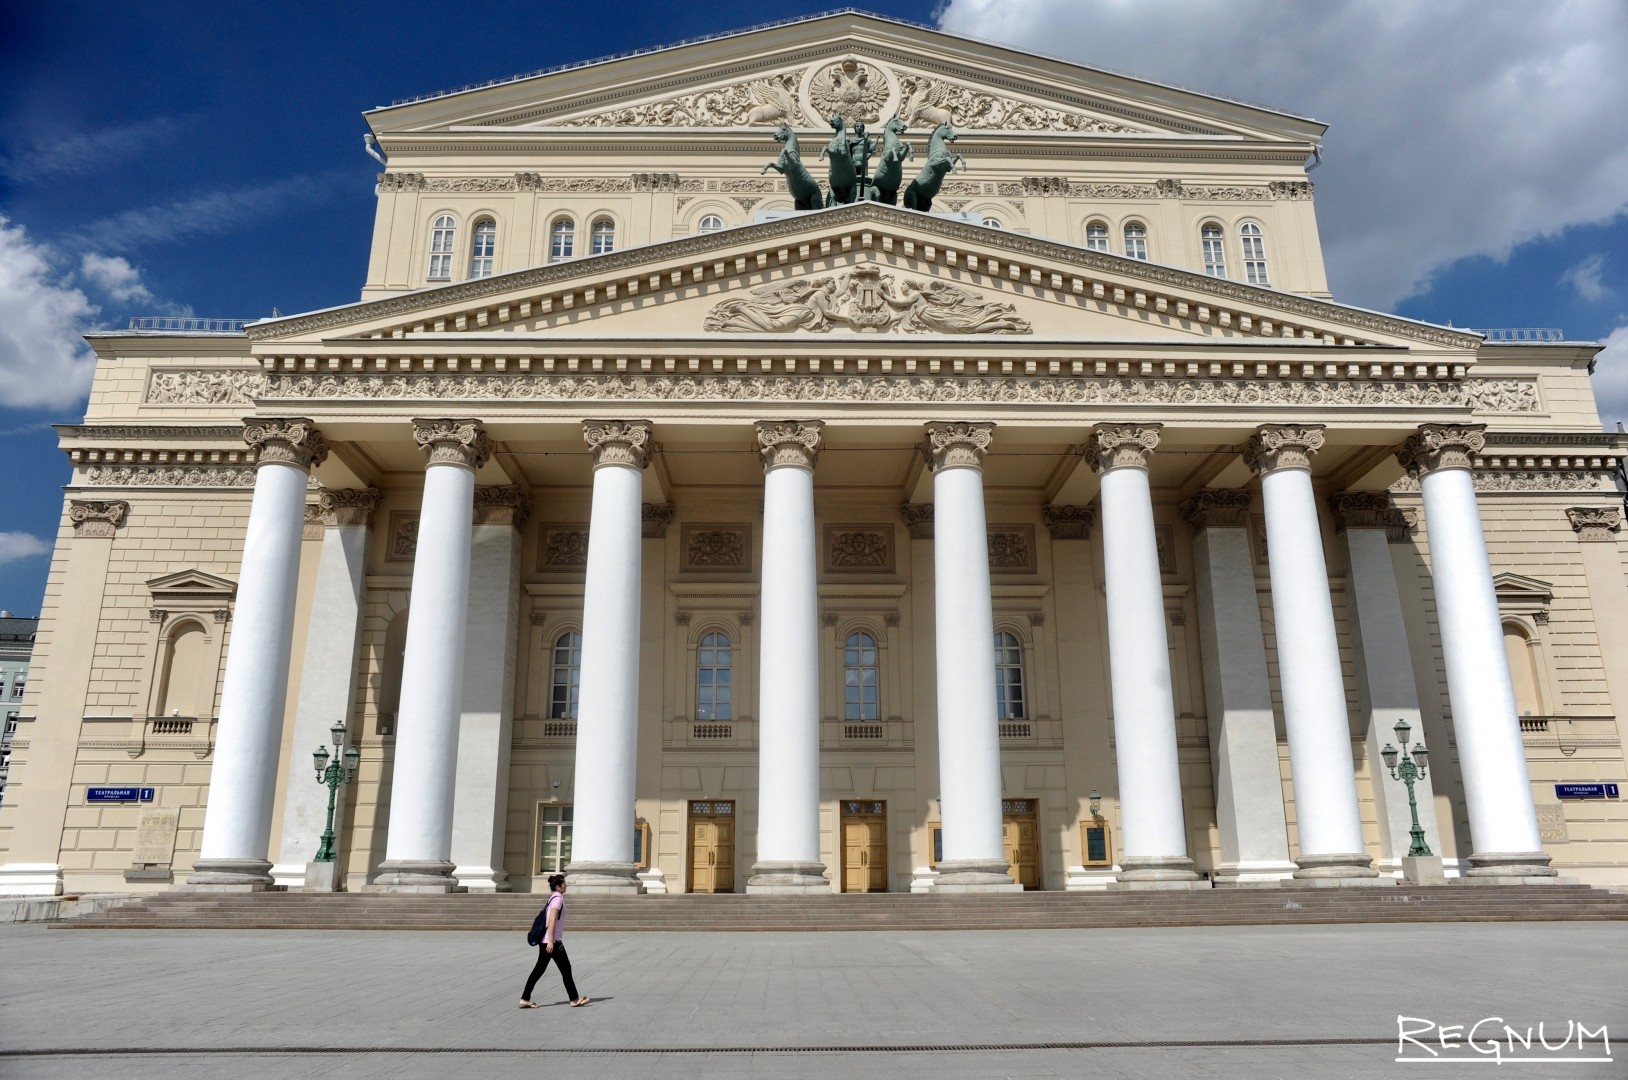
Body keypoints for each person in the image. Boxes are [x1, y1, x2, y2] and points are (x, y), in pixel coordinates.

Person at [519, 874, 589, 1008]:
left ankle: (525, 998)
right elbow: (551, 920)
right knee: (564, 969)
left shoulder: (553, 898)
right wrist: (551, 941)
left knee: (540, 970)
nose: (566, 885)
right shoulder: (557, 899)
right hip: (552, 942)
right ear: (558, 886)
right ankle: (574, 999)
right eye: (564, 884)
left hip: (548, 941)